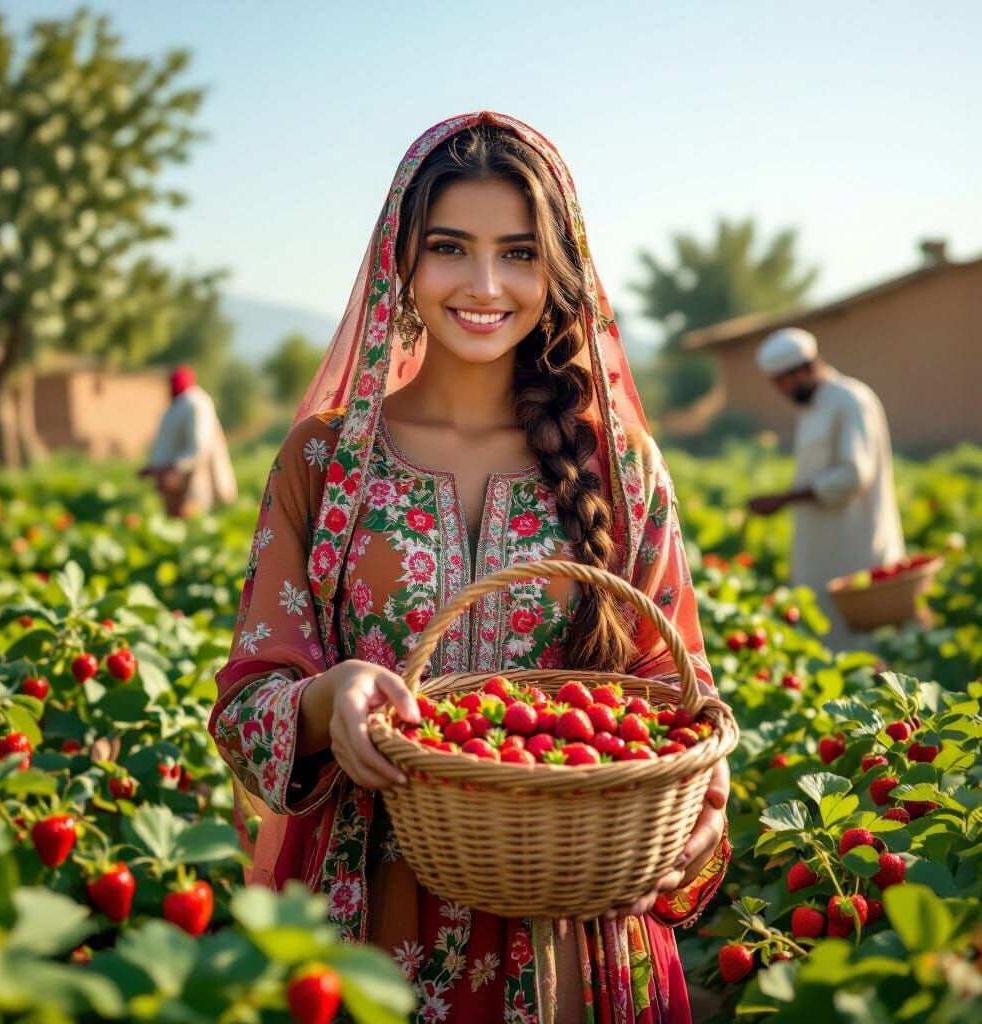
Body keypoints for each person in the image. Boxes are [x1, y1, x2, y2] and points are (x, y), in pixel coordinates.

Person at [210, 113, 731, 1023]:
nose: (486, 285)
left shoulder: (621, 466)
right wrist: (327, 703)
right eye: (451, 247)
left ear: (557, 271)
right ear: (400, 262)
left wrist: (703, 801)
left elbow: (674, 697)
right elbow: (248, 707)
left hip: (573, 927)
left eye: (520, 254)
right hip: (370, 925)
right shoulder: (324, 464)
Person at [747, 327, 905, 646]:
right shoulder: (813, 408)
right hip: (821, 554)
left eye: (784, 382)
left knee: (865, 648)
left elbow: (853, 475)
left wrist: (785, 499)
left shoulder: (850, 400)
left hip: (856, 548)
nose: (783, 391)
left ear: (804, 368)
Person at [141, 365, 238, 517]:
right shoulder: (177, 404)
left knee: (191, 517)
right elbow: (169, 442)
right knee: (176, 519)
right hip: (174, 476)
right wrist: (155, 466)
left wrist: (174, 468)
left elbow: (199, 446)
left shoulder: (196, 403)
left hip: (191, 476)